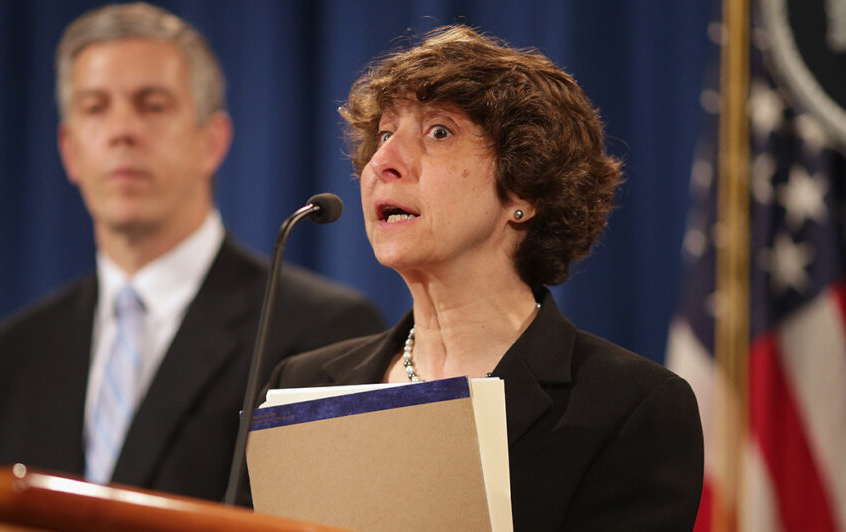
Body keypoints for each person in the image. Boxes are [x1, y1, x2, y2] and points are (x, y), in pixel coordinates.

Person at [260, 26, 704, 530]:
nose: (382, 163)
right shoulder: (301, 385)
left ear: (523, 190)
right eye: (384, 135)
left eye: (439, 133)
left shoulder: (631, 408)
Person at [0, 2, 385, 502]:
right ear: (69, 150)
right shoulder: (1, 364)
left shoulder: (322, 334)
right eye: (95, 108)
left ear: (212, 141)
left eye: (152, 105)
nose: (122, 132)